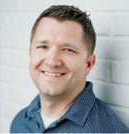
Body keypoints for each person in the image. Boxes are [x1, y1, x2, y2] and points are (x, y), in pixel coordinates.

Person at [10, 5, 129, 133]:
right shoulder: (20, 122)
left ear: (88, 64)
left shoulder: (108, 130)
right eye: (43, 47)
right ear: (30, 53)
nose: (52, 61)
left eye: (68, 50)